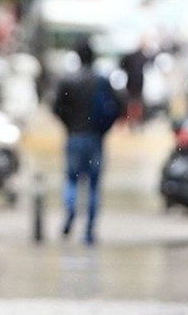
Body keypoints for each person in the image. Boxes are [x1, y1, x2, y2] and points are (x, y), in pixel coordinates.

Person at [52, 39, 120, 245]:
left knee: (72, 180)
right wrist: (103, 129)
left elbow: (56, 108)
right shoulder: (102, 81)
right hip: (95, 139)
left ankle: (71, 213)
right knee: (93, 186)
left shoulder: (68, 81)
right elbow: (118, 106)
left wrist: (69, 125)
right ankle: (89, 230)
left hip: (75, 137)